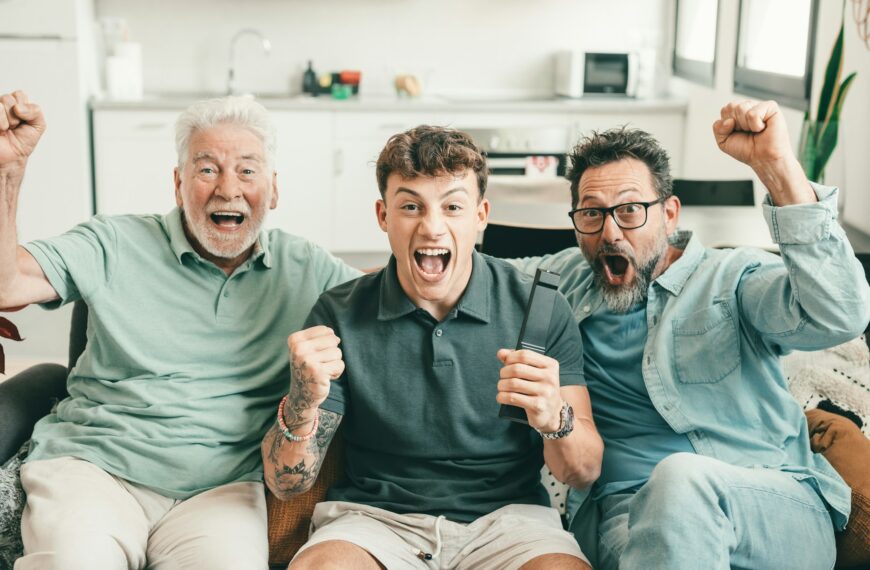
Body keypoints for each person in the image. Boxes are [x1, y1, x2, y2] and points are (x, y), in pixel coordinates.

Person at [0, 90, 361, 569]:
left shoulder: (308, 267)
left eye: (247, 170)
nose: (228, 189)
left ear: (273, 190)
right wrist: (9, 171)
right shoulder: (114, 241)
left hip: (221, 492)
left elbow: (395, 309)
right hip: (95, 467)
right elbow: (8, 283)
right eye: (207, 168)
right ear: (179, 184)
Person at [510, 100, 870, 569]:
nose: (611, 232)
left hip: (771, 509)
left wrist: (777, 168)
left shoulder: (733, 277)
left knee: (679, 478)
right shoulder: (561, 281)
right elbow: (462, 279)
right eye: (592, 214)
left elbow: (841, 314)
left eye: (632, 209)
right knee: (669, 499)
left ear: (670, 213)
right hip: (632, 522)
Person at [261, 125, 604, 569]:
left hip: (510, 524)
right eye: (410, 206)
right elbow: (287, 484)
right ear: (384, 216)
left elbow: (583, 471)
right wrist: (302, 404)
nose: (432, 227)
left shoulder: (539, 310)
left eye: (452, 206)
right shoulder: (338, 314)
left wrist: (555, 418)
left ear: (480, 215)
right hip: (373, 523)